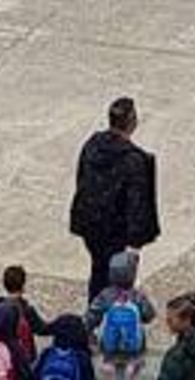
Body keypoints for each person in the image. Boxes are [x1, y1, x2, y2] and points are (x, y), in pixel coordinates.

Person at [69, 97, 160, 302]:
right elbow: (138, 203)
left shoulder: (92, 145)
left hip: (90, 224)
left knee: (99, 269)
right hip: (115, 230)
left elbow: (82, 179)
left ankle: (94, 315)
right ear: (132, 121)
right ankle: (111, 320)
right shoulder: (134, 160)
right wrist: (137, 240)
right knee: (117, 277)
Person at [85, 249, 156, 380]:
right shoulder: (136, 295)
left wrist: (87, 330)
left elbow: (92, 315)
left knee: (119, 368)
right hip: (135, 342)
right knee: (137, 364)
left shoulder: (106, 294)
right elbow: (149, 315)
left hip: (111, 341)